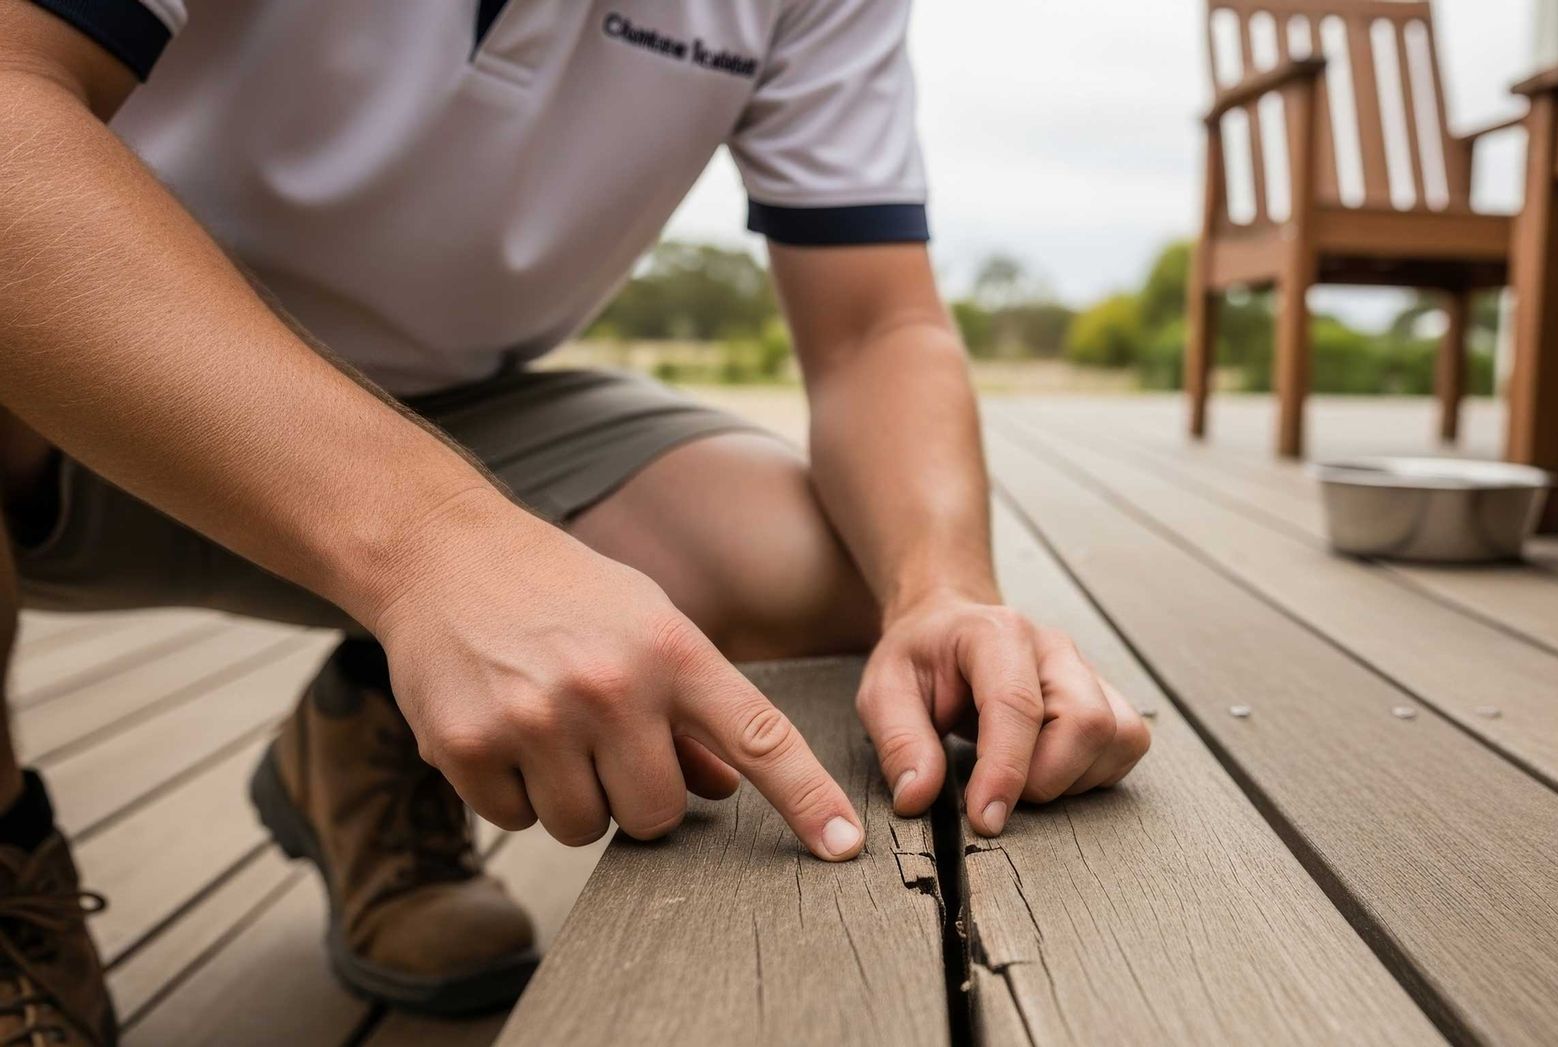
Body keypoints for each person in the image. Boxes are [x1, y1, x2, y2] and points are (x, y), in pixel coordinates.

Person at [0, 0, 1152, 1039]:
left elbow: (873, 329)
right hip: (70, 366)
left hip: (461, 406)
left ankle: (365, 744)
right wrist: (440, 548)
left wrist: (941, 587)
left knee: (833, 573)